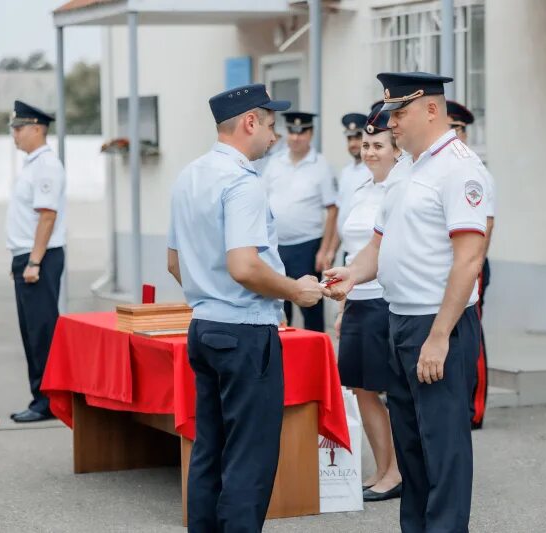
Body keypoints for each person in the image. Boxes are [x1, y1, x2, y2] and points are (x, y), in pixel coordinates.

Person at [324, 72, 488, 532]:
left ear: (431, 110)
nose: (391, 123)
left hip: (437, 326)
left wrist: (438, 337)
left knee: (444, 449)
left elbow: (470, 258)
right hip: (398, 321)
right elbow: (381, 242)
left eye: (400, 113)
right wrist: (352, 273)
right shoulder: (406, 168)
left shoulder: (460, 167)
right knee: (412, 447)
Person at [166, 84, 324, 532]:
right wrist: (295, 291)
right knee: (249, 461)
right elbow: (244, 265)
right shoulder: (242, 182)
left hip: (204, 327)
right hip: (246, 332)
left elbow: (175, 263)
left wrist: (210, 291)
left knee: (209, 452)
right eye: (271, 125)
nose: (274, 137)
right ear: (250, 123)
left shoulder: (189, 175)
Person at [334, 105, 402, 502]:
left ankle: (394, 472)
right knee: (360, 389)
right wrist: (343, 308)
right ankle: (383, 468)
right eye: (365, 144)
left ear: (396, 149)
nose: (369, 151)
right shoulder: (360, 189)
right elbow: (351, 249)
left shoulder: (399, 190)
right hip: (357, 299)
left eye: (378, 144)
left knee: (382, 389)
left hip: (384, 301)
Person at [6, 100, 66, 424]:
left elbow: (47, 217)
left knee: (42, 331)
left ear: (37, 129)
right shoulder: (32, 164)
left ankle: (48, 402)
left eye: (19, 128)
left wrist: (34, 262)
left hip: (39, 258)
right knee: (31, 332)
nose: (15, 134)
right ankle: (39, 397)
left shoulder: (46, 166)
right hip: (27, 257)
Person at [263, 111, 337, 331]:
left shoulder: (320, 165)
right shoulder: (275, 162)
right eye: (292, 132)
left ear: (310, 134)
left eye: (302, 132)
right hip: (276, 246)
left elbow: (332, 209)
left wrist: (324, 250)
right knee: (277, 306)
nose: (296, 138)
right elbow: (263, 201)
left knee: (310, 304)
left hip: (307, 246)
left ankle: (314, 355)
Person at [448, 99, 495, 429]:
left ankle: (473, 408)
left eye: (456, 129)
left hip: (470, 264)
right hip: (448, 263)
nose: (450, 135)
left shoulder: (474, 169)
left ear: (465, 133)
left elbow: (486, 225)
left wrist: (474, 266)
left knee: (470, 336)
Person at [335, 112, 371, 258]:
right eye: (349, 138)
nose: (353, 143)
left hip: (365, 249)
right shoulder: (346, 171)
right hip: (347, 248)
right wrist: (330, 251)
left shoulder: (372, 170)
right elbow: (340, 213)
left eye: (357, 138)